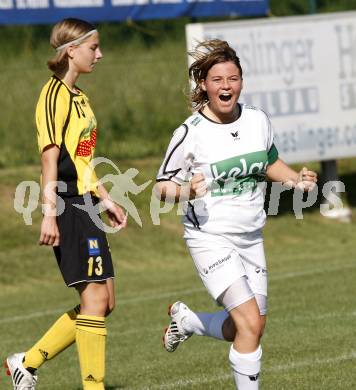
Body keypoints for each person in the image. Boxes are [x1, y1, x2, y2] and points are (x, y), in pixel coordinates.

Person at [155, 39, 317, 389]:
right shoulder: (190, 133)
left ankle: (190, 322)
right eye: (217, 80)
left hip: (251, 237)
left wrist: (296, 180)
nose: (226, 86)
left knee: (251, 327)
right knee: (247, 323)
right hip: (210, 238)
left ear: (241, 82)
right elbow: (161, 187)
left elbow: (269, 162)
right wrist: (185, 191)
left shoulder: (258, 120)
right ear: (204, 85)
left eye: (233, 78)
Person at [5, 18, 127, 390]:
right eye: (94, 48)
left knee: (105, 301)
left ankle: (24, 363)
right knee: (92, 298)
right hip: (67, 204)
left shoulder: (80, 98)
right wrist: (49, 214)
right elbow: (49, 159)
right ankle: (94, 387)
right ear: (71, 51)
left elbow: (84, 158)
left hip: (87, 202)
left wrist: (105, 197)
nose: (100, 54)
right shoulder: (52, 96)